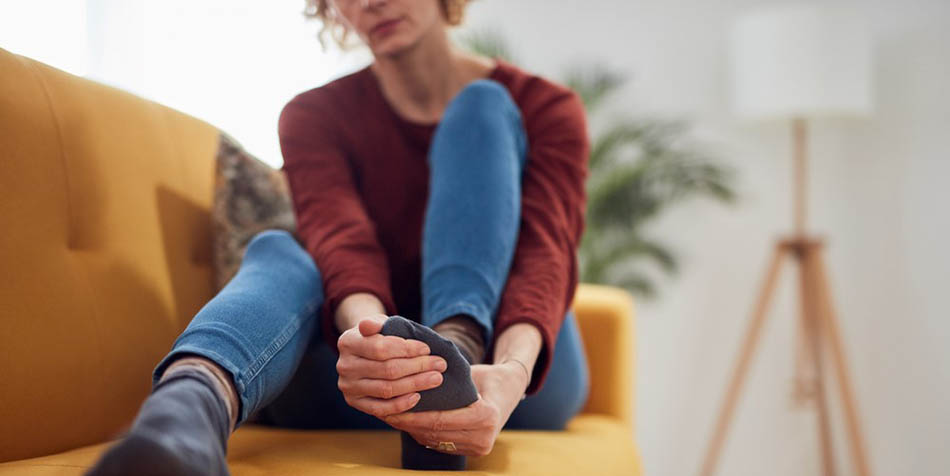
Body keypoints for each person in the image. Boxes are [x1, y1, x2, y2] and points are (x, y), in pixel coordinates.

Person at [87, 0, 591, 474]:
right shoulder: (313, 116)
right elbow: (342, 245)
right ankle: (183, 417)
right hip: (368, 385)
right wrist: (382, 351)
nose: (370, 1)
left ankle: (458, 352)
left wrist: (512, 372)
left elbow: (544, 255)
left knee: (481, 107)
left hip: (516, 376)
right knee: (281, 252)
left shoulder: (546, 108)